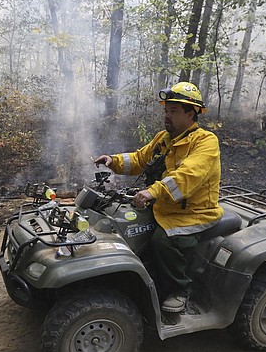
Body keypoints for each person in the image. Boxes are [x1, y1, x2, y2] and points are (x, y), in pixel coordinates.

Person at [94, 81, 223, 314]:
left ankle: (179, 291)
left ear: (190, 113)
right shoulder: (164, 138)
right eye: (166, 110)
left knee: (163, 241)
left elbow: (188, 176)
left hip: (193, 213)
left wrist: (153, 191)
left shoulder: (205, 141)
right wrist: (113, 161)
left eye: (173, 111)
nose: (166, 115)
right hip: (164, 207)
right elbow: (140, 158)